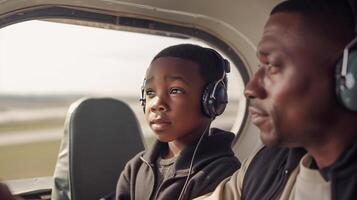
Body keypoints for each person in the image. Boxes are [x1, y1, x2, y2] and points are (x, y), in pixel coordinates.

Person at [195, 0, 357, 199]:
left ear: (350, 73)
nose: (250, 89)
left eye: (271, 65)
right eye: (258, 67)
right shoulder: (267, 163)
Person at [115, 44, 241, 200]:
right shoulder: (136, 167)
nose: (156, 104)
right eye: (150, 92)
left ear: (212, 101)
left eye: (175, 91)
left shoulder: (222, 172)